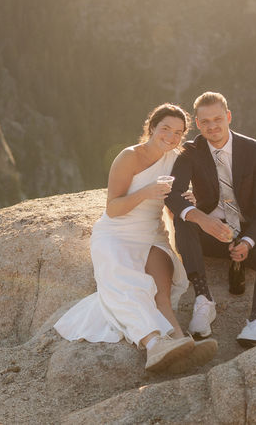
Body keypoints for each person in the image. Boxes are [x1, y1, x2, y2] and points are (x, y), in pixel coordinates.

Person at [54, 103, 218, 373]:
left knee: (159, 292)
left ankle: (179, 341)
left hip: (152, 235)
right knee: (128, 283)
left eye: (178, 132)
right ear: (152, 128)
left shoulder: (177, 159)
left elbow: (173, 201)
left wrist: (192, 199)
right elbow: (112, 208)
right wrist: (146, 192)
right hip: (116, 233)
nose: (171, 136)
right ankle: (154, 344)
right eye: (165, 128)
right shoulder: (129, 156)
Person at [166, 91, 256, 347]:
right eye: (205, 122)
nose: (212, 126)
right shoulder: (191, 152)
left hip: (246, 231)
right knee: (184, 220)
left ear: (228, 116)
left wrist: (247, 241)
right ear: (198, 123)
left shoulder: (254, 150)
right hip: (210, 235)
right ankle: (204, 300)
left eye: (218, 119)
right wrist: (202, 219)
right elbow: (172, 193)